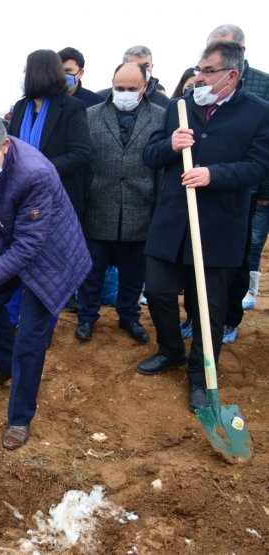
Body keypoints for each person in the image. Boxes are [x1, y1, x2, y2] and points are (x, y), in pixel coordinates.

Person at [138, 41, 269, 410]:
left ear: (231, 74)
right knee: (159, 291)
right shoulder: (180, 108)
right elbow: (150, 154)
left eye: (207, 71)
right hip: (172, 222)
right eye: (197, 68)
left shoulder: (259, 114)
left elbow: (260, 167)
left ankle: (200, 373)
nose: (198, 77)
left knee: (208, 307)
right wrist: (170, 146)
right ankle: (170, 350)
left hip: (219, 227)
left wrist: (214, 174)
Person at [0, 109, 91, 449]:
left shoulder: (35, 174)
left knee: (30, 338)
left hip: (52, 256)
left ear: (3, 145)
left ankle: (19, 418)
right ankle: (6, 365)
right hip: (14, 239)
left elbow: (31, 247)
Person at [75, 62, 164, 342]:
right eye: (119, 88)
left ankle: (129, 316)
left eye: (131, 89)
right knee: (92, 270)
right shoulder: (90, 116)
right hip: (99, 206)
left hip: (141, 208)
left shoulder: (162, 117)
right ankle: (87, 316)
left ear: (145, 87)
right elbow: (83, 164)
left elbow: (162, 167)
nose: (124, 93)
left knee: (133, 272)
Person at [8, 49, 92, 315]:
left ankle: (42, 325)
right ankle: (16, 316)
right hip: (22, 198)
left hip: (57, 198)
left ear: (37, 73)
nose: (23, 75)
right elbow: (10, 149)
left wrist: (39, 171)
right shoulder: (21, 107)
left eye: (26, 70)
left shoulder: (71, 107)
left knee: (49, 265)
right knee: (23, 256)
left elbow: (82, 152)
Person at [205, 24, 269, 337]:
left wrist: (264, 192)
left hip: (243, 192)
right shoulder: (202, 86)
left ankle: (229, 318)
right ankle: (197, 317)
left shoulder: (262, 84)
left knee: (237, 257)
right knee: (201, 259)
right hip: (202, 186)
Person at [98, 46, 170, 109]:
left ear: (152, 67)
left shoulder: (165, 103)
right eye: (135, 65)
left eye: (146, 65)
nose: (142, 70)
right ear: (124, 67)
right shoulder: (101, 98)